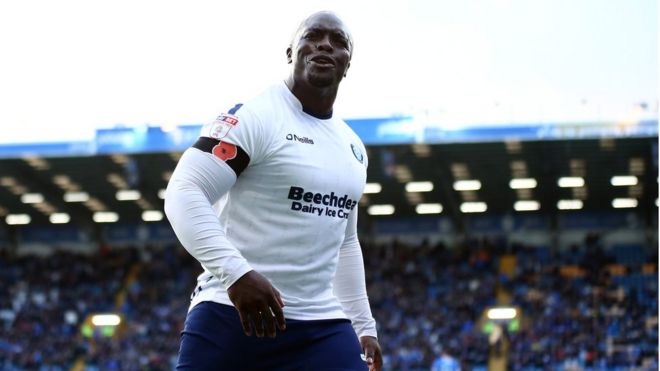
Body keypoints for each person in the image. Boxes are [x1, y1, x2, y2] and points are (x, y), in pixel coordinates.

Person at [164, 10, 382, 371]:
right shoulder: (255, 116)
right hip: (231, 312)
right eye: (313, 36)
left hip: (320, 324)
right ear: (290, 52)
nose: (325, 44)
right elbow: (185, 190)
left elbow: (345, 240)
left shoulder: (353, 147)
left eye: (338, 41)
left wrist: (363, 324)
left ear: (348, 64)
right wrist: (236, 273)